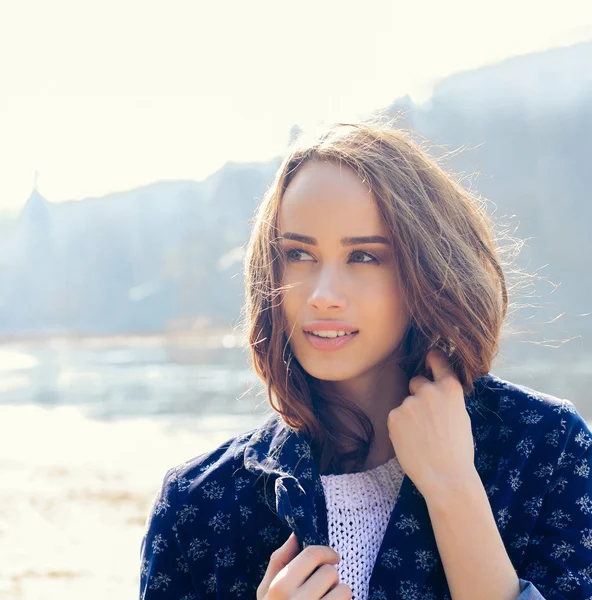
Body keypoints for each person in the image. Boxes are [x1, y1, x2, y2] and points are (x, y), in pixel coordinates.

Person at [139, 118, 592, 599]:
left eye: (364, 257)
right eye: (298, 254)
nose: (323, 295)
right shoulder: (198, 506)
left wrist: (454, 490)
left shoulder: (547, 450)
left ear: (428, 270)